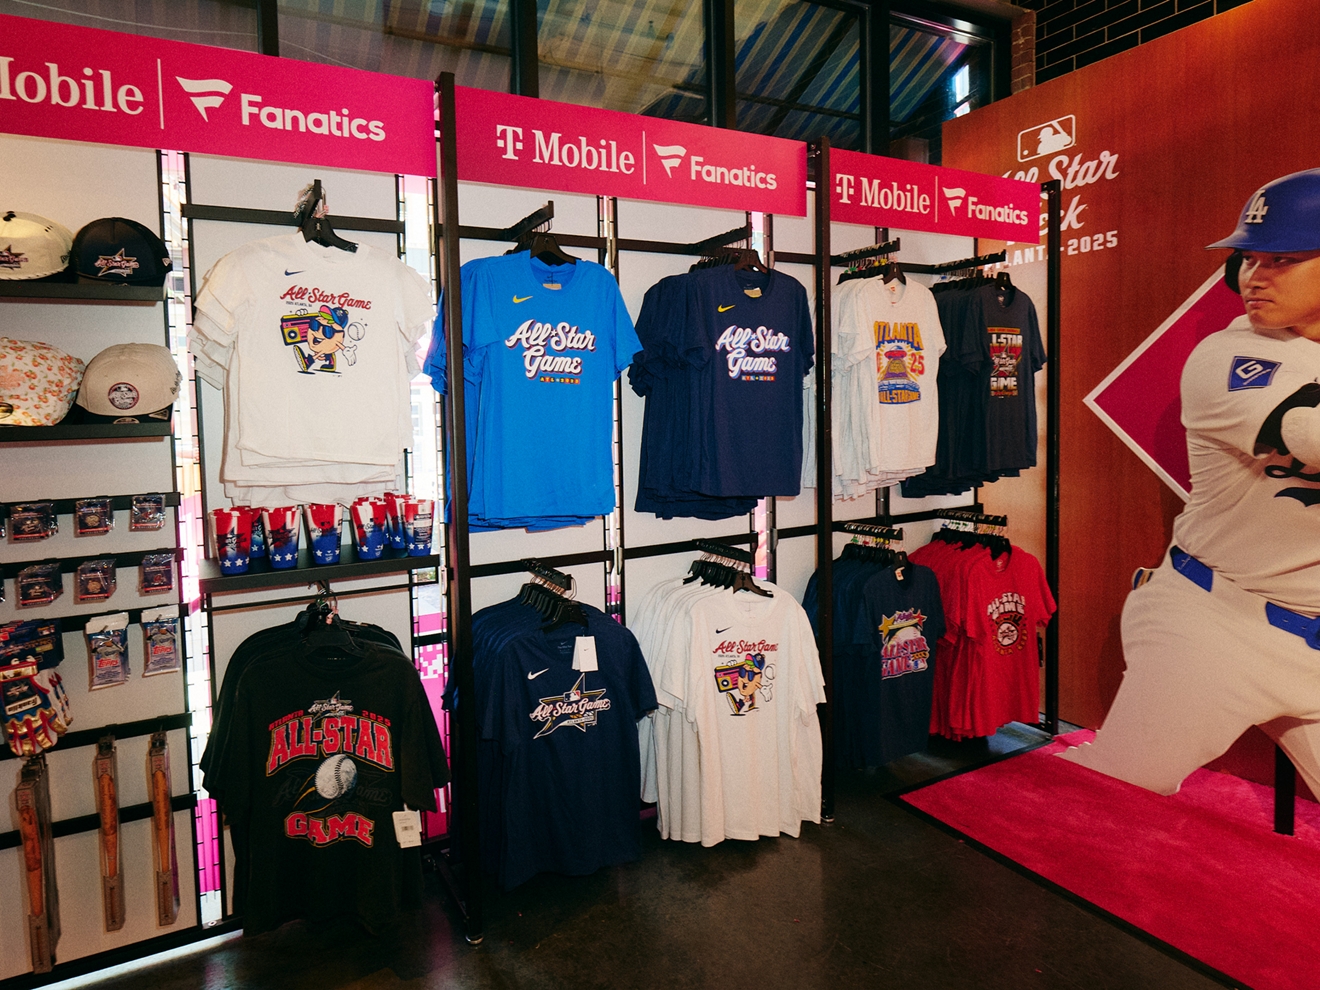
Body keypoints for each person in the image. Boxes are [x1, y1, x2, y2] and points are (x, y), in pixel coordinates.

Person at [1060, 169, 1320, 795]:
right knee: (1108, 801)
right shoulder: (1228, 358)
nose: (1254, 277)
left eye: (1281, 258)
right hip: (1212, 624)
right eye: (1249, 258)